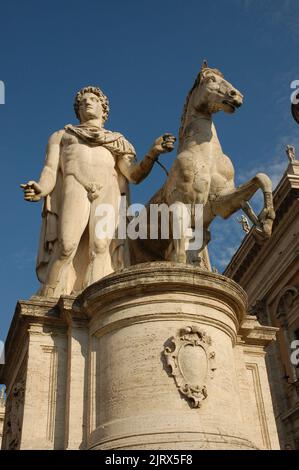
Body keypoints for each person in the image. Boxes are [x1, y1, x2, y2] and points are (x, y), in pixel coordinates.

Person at [21, 86, 175, 297]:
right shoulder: (62, 136)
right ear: (78, 110)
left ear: (104, 108)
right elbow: (49, 170)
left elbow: (133, 174)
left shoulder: (117, 141)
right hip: (75, 186)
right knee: (66, 245)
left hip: (108, 190)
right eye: (83, 101)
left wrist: (153, 152)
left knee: (101, 246)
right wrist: (40, 188)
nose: (87, 102)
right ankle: (49, 296)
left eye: (93, 99)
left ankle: (97, 303)